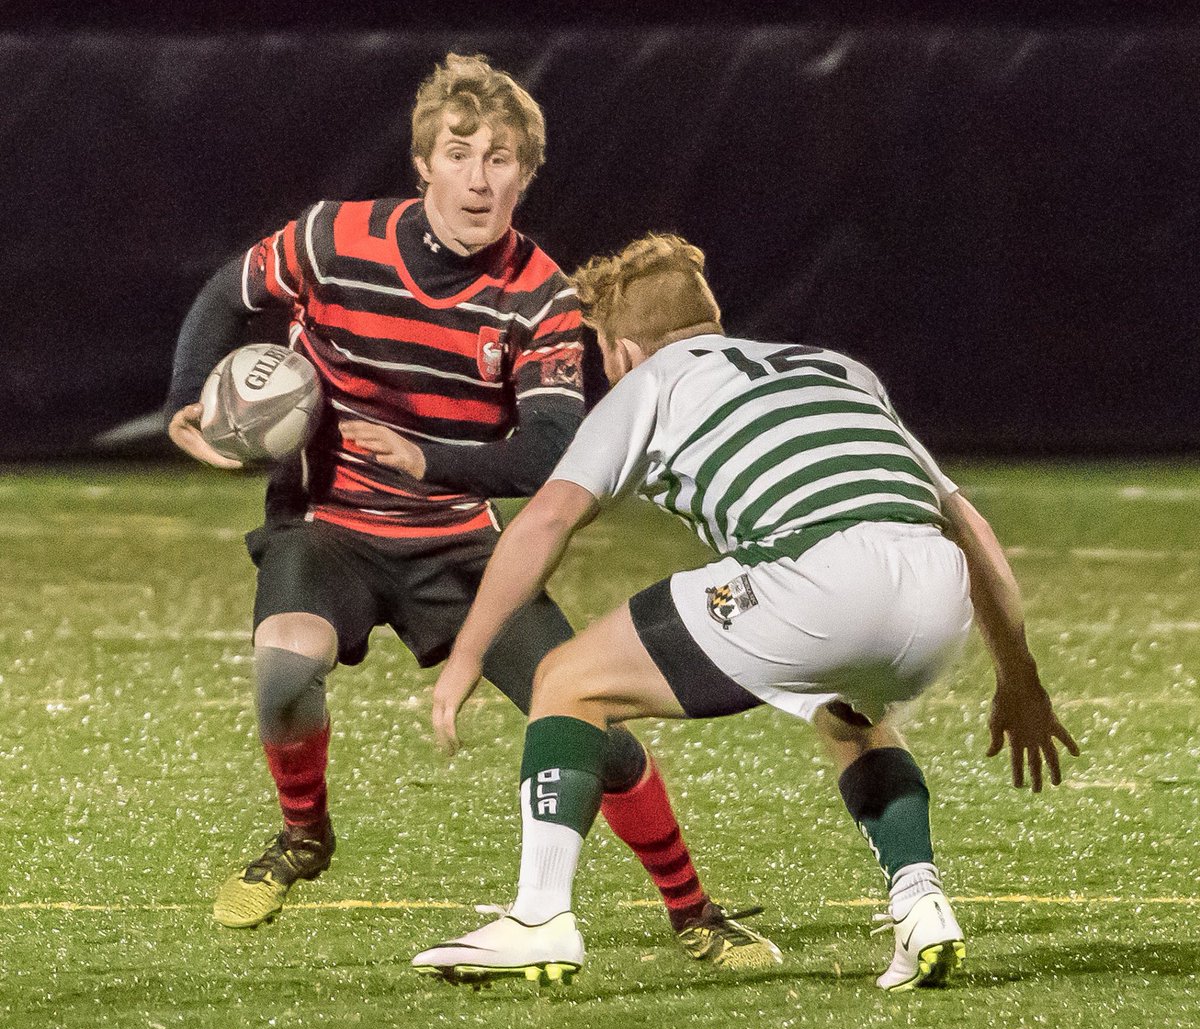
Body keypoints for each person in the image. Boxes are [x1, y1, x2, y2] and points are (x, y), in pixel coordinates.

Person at [165, 57, 780, 969]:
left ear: (526, 177)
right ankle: (304, 837)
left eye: (503, 160)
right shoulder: (333, 239)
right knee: (282, 674)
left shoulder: (541, 297)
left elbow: (546, 450)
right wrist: (188, 404)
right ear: (424, 163)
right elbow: (230, 292)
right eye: (462, 153)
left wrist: (429, 459)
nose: (481, 178)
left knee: (591, 725)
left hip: (460, 550)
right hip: (327, 524)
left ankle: (693, 912)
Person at [412, 232, 1080, 990]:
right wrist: (1019, 676)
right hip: (935, 584)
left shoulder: (649, 381)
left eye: (604, 354)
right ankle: (921, 901)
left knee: (567, 679)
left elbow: (546, 520)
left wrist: (467, 655)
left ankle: (537, 918)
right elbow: (971, 528)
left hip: (817, 574)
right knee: (850, 717)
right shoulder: (837, 368)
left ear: (624, 348)